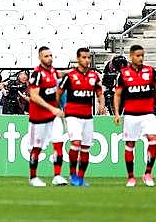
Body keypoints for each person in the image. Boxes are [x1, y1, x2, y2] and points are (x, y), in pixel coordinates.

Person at [114, 45, 156, 188]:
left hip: (148, 114)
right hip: (130, 115)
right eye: (138, 55)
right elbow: (117, 95)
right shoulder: (123, 74)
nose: (141, 58)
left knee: (153, 140)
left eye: (142, 55)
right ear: (131, 56)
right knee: (130, 144)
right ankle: (131, 177)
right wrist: (117, 113)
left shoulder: (151, 72)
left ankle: (148, 173)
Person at [58, 47, 105, 186]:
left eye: (88, 57)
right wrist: (57, 108)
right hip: (72, 115)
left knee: (85, 148)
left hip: (87, 116)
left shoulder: (94, 76)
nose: (87, 60)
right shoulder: (70, 76)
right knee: (76, 143)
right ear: (78, 59)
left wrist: (101, 105)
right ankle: (72, 175)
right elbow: (58, 93)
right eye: (84, 57)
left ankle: (80, 177)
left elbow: (99, 93)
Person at [26, 46, 66, 187]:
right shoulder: (37, 74)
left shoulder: (53, 72)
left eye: (50, 55)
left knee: (58, 142)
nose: (49, 58)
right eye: (46, 56)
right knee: (37, 148)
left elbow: (62, 75)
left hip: (53, 116)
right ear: (40, 58)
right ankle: (33, 177)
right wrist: (52, 108)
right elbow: (34, 96)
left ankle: (57, 175)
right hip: (38, 118)